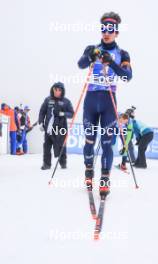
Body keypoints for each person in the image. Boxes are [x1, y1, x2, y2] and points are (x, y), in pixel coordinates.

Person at [78, 12, 132, 197]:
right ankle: (88, 173)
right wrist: (90, 57)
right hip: (91, 100)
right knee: (90, 141)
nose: (106, 33)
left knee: (107, 143)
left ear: (116, 32)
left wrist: (112, 63)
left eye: (110, 30)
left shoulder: (122, 53)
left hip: (109, 101)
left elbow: (127, 76)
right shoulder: (92, 48)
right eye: (104, 29)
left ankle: (105, 180)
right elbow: (80, 64)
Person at [38, 82, 74, 170]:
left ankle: (63, 163)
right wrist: (41, 123)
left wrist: (62, 113)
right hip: (49, 128)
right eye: (55, 90)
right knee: (47, 146)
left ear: (62, 91)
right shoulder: (47, 100)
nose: (57, 92)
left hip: (61, 128)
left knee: (61, 146)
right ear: (53, 89)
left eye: (59, 90)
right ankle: (46, 164)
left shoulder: (66, 101)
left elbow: (72, 114)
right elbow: (42, 112)